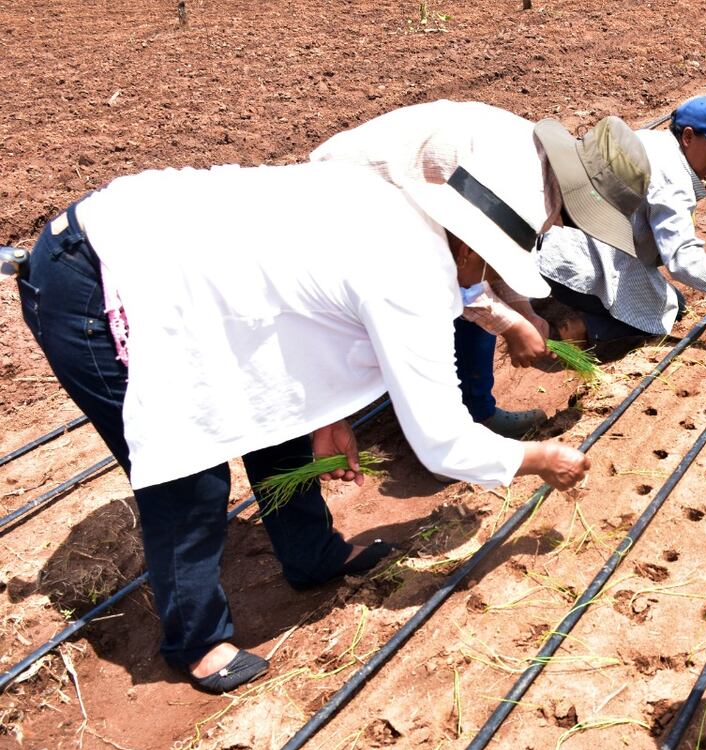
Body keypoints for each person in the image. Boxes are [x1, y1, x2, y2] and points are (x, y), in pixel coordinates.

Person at [16, 143, 591, 693]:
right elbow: (442, 442)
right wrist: (540, 459)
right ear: (468, 245)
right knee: (188, 470)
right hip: (100, 274)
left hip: (195, 279)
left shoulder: (406, 216)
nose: (487, 275)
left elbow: (290, 313)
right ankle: (195, 642)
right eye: (491, 261)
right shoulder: (406, 273)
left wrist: (323, 413)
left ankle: (311, 556)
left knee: (277, 424)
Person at [312, 100, 651, 436]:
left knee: (478, 306)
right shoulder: (519, 191)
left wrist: (524, 313)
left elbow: (491, 261)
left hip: (393, 198)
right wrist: (512, 326)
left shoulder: (541, 170)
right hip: (349, 204)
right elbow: (456, 277)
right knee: (427, 315)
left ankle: (474, 413)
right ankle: (445, 440)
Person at [535, 96, 706, 360]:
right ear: (688, 136)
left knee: (673, 302)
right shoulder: (673, 181)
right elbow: (684, 262)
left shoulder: (654, 140)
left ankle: (576, 303)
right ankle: (579, 330)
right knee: (664, 316)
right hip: (576, 266)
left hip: (559, 246)